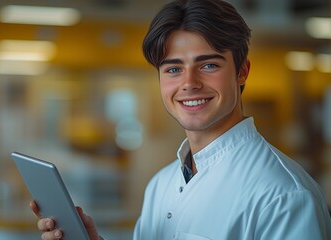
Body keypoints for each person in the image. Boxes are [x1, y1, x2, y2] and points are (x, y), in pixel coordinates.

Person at [30, 0, 331, 239]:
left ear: (242, 72)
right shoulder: (160, 185)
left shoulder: (285, 196)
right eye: (173, 69)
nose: (189, 83)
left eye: (209, 64)